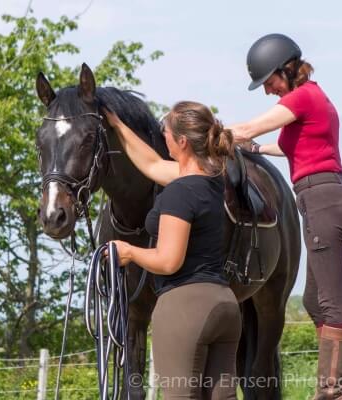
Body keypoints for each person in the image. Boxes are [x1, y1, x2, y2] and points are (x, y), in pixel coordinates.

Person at [228, 33, 342, 400]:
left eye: (269, 81)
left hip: (322, 201)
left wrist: (206, 132)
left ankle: (334, 392)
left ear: (286, 68)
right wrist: (255, 149)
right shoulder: (312, 99)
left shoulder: (302, 97)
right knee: (315, 302)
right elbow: (290, 146)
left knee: (331, 303)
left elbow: (248, 128)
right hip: (324, 198)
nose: (269, 90)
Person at [104, 101, 240, 399]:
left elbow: (168, 261)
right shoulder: (213, 181)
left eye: (164, 131)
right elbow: (151, 164)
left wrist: (128, 252)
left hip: (185, 309)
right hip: (226, 305)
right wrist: (117, 125)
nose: (161, 135)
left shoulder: (179, 191)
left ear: (181, 142)